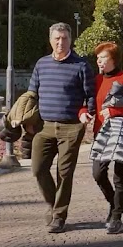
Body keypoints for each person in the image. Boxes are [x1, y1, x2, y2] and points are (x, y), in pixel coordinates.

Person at [28, 23, 96, 234]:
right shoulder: (41, 64)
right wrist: (26, 119)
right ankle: (53, 204)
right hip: (44, 126)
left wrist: (86, 112)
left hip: (71, 126)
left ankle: (59, 216)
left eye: (64, 38)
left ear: (70, 40)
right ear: (50, 40)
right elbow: (32, 94)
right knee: (38, 169)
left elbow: (90, 95)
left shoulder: (81, 65)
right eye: (57, 38)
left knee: (64, 172)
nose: (60, 42)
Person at [87, 42, 123, 234]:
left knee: (120, 175)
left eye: (102, 57)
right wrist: (83, 112)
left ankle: (116, 217)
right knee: (98, 173)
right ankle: (114, 204)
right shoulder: (96, 80)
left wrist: (114, 111)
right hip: (101, 134)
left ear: (113, 59)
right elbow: (88, 103)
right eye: (97, 58)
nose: (99, 61)